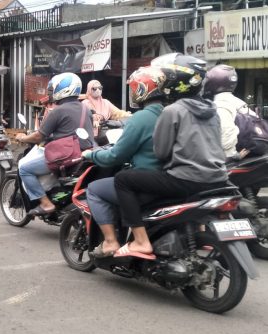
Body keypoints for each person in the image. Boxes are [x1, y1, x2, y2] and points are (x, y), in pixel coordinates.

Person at [113, 53, 229, 259]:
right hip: (218, 179)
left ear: (176, 82)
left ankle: (140, 241)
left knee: (123, 180)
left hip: (186, 179)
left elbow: (162, 152)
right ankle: (199, 233)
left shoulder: (173, 111)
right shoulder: (212, 110)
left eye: (167, 78)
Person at [81, 66, 166, 257]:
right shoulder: (169, 114)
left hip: (143, 179)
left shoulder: (141, 118)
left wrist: (91, 155)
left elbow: (115, 156)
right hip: (166, 179)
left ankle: (110, 242)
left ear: (142, 89)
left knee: (94, 189)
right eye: (94, 88)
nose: (97, 91)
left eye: (134, 88)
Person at [15, 72, 94, 216]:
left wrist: (23, 138)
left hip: (67, 155)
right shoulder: (85, 109)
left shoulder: (57, 111)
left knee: (25, 169)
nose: (50, 93)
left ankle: (46, 203)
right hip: (85, 153)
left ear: (62, 90)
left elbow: (39, 136)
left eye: (52, 90)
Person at [203, 64, 250, 159]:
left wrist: (232, 157)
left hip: (231, 159)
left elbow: (227, 134)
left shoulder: (221, 104)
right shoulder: (238, 101)